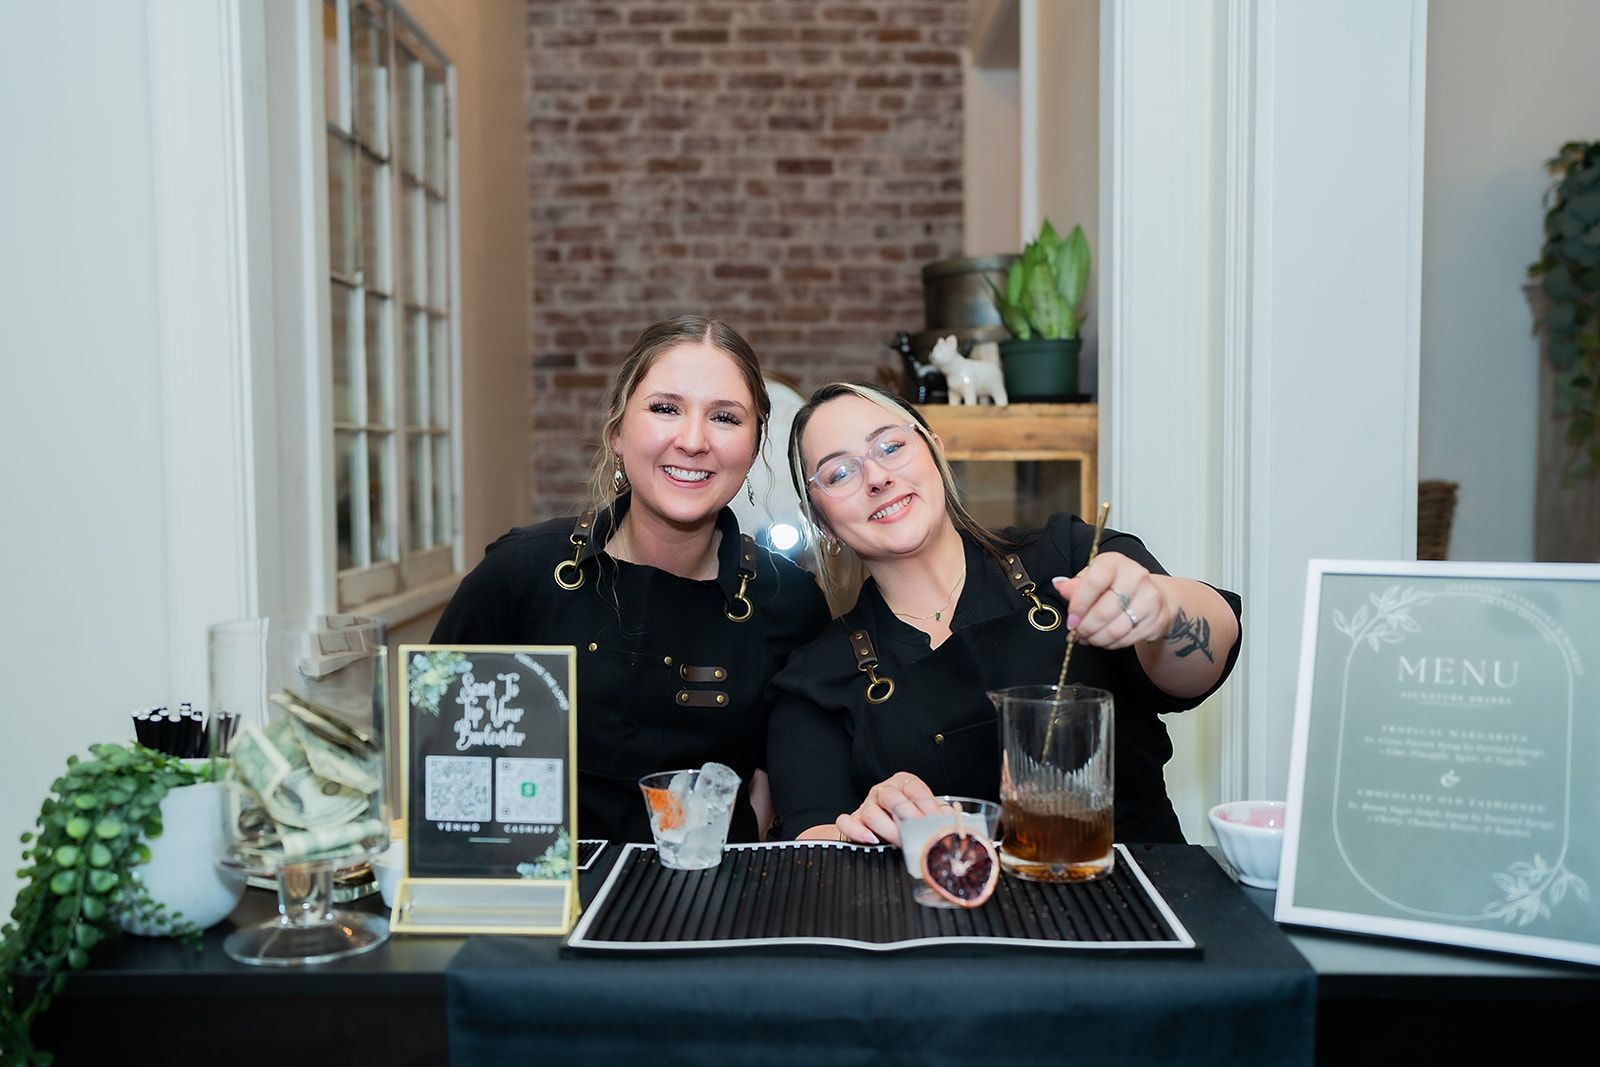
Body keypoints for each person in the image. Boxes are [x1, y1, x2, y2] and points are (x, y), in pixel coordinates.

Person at [766, 382, 1241, 845]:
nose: (876, 477)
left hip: (1139, 901)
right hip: (947, 917)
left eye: (890, 447)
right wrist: (865, 831)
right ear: (820, 521)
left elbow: (1207, 657)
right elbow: (812, 838)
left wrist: (1163, 609)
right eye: (839, 474)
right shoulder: (817, 679)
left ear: (935, 450)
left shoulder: (1066, 554)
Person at [431, 316, 829, 845]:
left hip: (710, 906)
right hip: (544, 906)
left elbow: (792, 776)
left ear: (754, 446)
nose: (693, 440)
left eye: (725, 418)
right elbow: (439, 752)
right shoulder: (520, 573)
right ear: (617, 431)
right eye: (666, 409)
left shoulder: (790, 601)